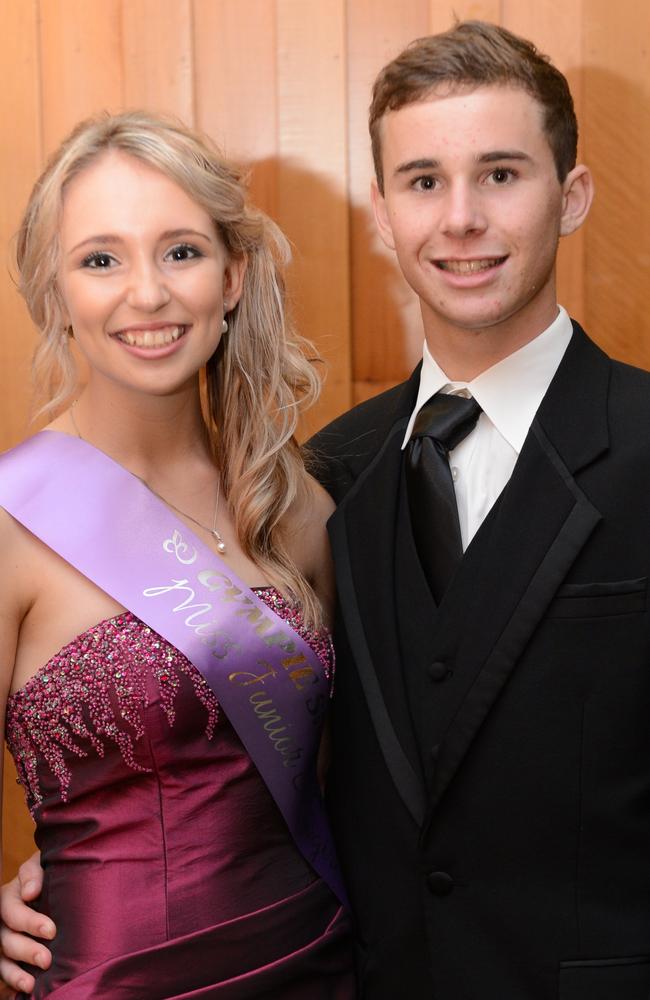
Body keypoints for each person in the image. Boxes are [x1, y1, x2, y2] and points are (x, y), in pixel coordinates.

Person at [4, 18, 650, 999]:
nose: (460, 219)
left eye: (501, 175)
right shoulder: (336, 475)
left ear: (570, 198)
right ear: (381, 216)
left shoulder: (293, 502)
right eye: (423, 181)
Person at [0, 110, 354, 998]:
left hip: (317, 962)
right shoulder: (12, 519)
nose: (147, 295)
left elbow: (336, 777)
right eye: (101, 258)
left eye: (182, 252)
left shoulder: (294, 506)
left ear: (232, 277)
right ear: (54, 288)